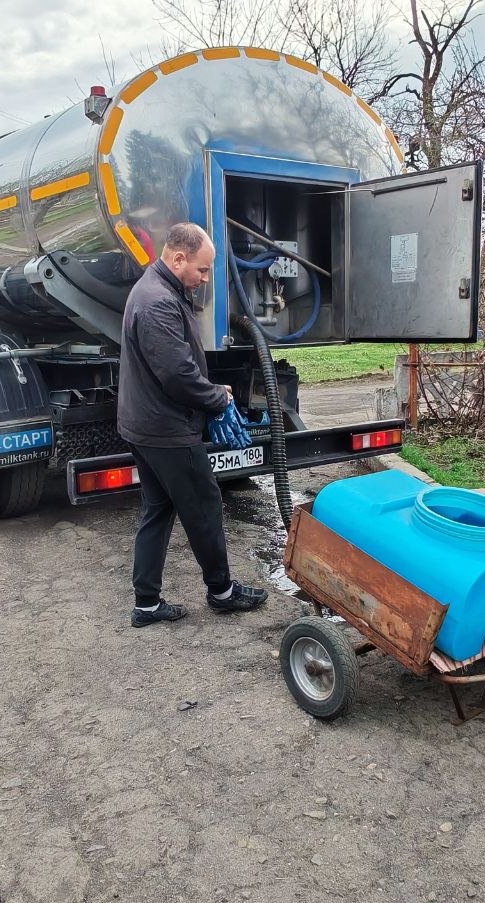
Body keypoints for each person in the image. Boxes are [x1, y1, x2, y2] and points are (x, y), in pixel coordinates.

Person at [118, 222, 268, 627]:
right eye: (202, 270)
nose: (204, 279)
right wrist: (217, 397)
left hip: (145, 423)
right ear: (178, 257)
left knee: (157, 509)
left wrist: (208, 387)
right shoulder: (157, 302)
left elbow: (174, 367)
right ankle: (222, 592)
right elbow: (176, 374)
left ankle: (146, 605)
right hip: (166, 430)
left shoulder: (158, 288)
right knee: (204, 508)